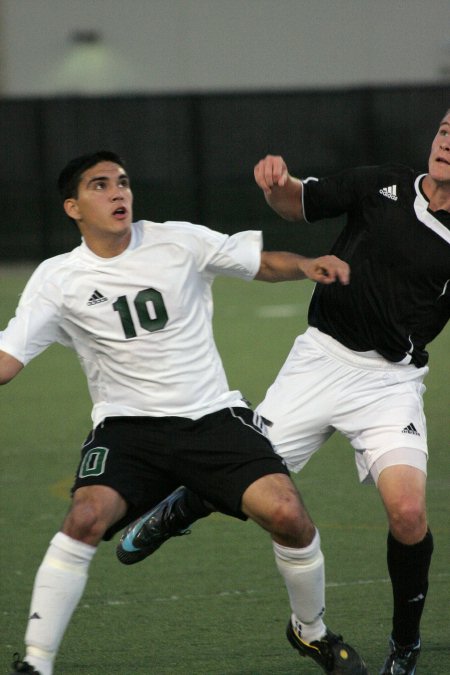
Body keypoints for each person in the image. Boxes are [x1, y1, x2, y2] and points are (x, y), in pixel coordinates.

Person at [0, 151, 368, 675]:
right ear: (73, 207)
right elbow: (7, 361)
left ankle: (311, 634)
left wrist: (306, 266)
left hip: (211, 418)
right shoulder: (57, 279)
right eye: (100, 186)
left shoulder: (178, 240)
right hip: (128, 430)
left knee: (289, 515)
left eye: (123, 183)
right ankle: (36, 663)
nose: (118, 194)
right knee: (83, 517)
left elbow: (259, 262)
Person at [120, 109, 450, 675]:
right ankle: (176, 510)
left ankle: (405, 644)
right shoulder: (382, 183)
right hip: (319, 361)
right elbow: (298, 204)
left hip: (390, 385)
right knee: (246, 474)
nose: (446, 143)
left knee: (409, 514)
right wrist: (278, 186)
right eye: (446, 130)